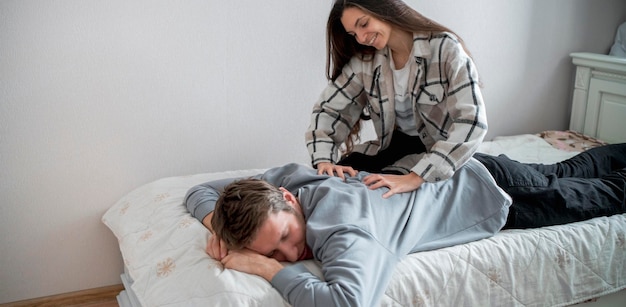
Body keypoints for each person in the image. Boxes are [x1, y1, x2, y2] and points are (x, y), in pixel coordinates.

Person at [184, 143, 626, 307]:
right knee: (567, 170)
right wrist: (219, 226)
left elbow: (347, 303)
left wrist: (265, 269)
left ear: (285, 200)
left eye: (284, 239)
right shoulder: (291, 179)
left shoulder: (343, 229)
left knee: (599, 196)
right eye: (273, 254)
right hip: (468, 168)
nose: (290, 256)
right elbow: (201, 192)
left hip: (499, 196)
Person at [305, 0, 488, 198]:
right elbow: (329, 110)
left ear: (383, 8)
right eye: (353, 34)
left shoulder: (444, 48)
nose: (361, 38)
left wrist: (417, 176)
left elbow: (472, 121)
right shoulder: (366, 62)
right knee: (330, 186)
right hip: (394, 150)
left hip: (438, 152)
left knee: (381, 194)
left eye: (364, 24)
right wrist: (324, 161)